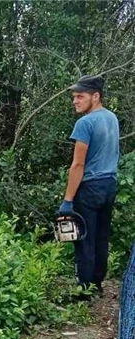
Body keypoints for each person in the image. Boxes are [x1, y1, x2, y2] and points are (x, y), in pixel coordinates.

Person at [58, 75, 119, 298]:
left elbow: (78, 164)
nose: (75, 101)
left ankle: (84, 290)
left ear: (96, 96)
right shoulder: (111, 118)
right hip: (109, 185)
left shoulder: (85, 123)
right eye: (74, 97)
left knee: (84, 238)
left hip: (90, 188)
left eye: (80, 96)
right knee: (101, 236)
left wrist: (67, 200)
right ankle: (97, 284)